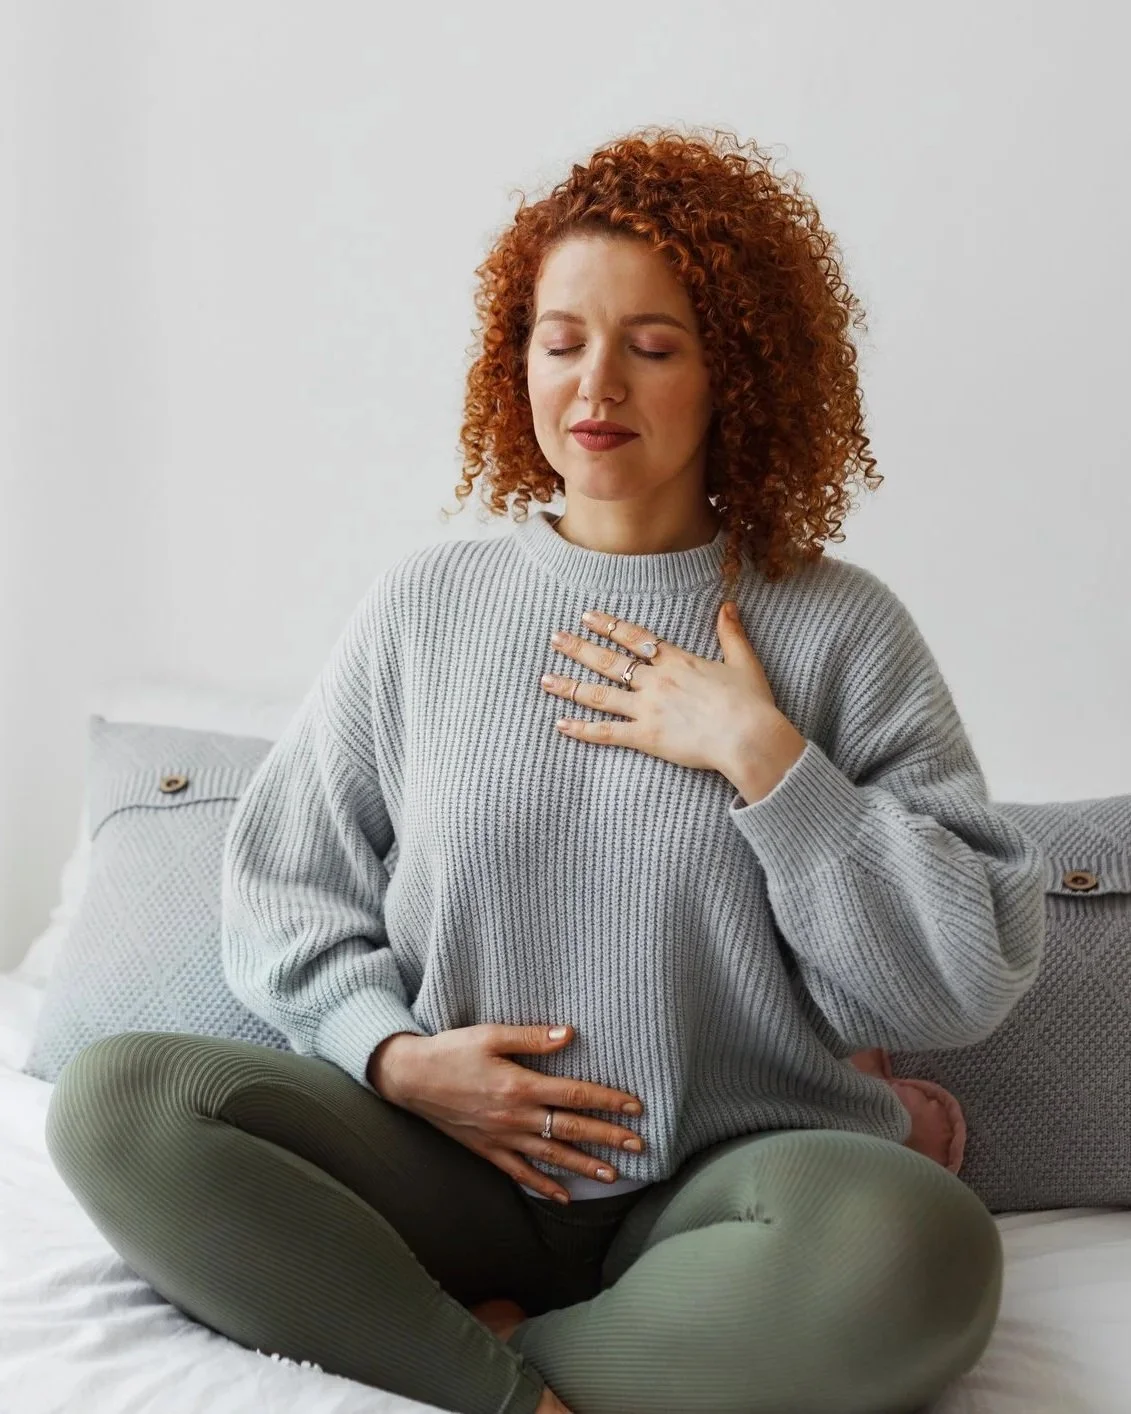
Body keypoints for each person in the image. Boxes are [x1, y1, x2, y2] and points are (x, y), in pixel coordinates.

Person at [44, 125, 1046, 1414]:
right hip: (440, 1162)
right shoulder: (430, 604)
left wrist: (765, 758)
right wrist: (397, 1061)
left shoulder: (839, 628)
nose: (597, 387)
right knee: (123, 1100)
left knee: (927, 1251)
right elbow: (284, 883)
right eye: (562, 340)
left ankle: (468, 1355)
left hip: (720, 1188)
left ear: (734, 367)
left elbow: (964, 972)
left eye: (654, 345)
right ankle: (518, 1390)